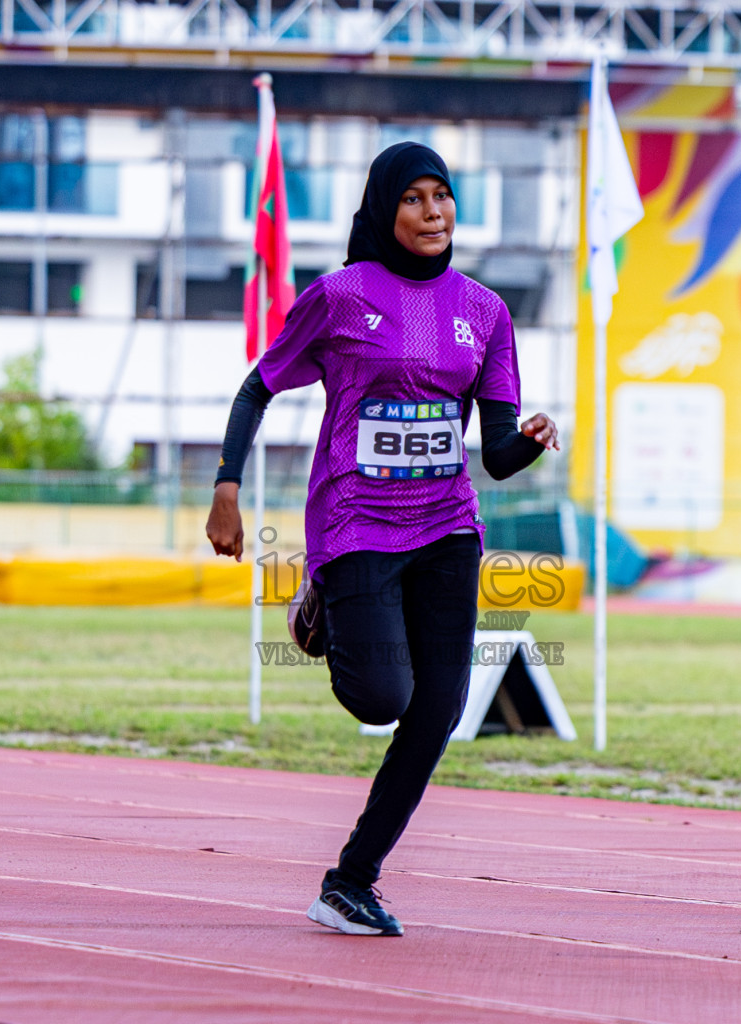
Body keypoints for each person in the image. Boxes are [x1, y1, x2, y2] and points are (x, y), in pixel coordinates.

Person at [206, 142, 559, 937]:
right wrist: (227, 486)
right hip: (355, 524)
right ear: (383, 209)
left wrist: (532, 436)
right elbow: (259, 385)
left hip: (447, 527)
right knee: (380, 697)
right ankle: (322, 601)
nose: (433, 213)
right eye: (414, 199)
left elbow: (496, 454)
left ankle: (350, 882)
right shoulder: (339, 296)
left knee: (437, 709)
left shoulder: (485, 312)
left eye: (443, 197)